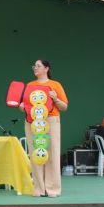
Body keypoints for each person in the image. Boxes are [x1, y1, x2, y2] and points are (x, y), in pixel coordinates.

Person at [20, 60, 68, 198]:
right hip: (32, 121)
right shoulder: (29, 85)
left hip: (50, 120)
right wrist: (21, 106)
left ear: (46, 68)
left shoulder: (55, 85)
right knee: (36, 153)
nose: (35, 67)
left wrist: (55, 99)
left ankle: (52, 189)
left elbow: (64, 107)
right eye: (34, 65)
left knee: (52, 153)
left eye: (38, 65)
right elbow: (23, 105)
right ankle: (39, 189)